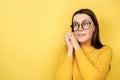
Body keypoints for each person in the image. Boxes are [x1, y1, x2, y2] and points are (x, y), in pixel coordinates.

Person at [55, 9, 112, 80]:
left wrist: (76, 46)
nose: (79, 29)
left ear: (94, 27)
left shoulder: (105, 51)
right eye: (76, 25)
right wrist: (70, 49)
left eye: (85, 24)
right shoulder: (66, 49)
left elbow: (93, 78)